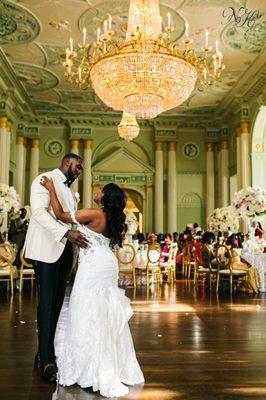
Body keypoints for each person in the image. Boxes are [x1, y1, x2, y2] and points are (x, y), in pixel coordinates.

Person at [41, 177, 144, 397]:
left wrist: (50, 188)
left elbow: (60, 215)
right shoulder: (112, 218)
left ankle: (90, 369)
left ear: (105, 197)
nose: (97, 191)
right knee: (101, 315)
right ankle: (103, 364)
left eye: (100, 190)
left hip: (93, 268)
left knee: (85, 312)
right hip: (106, 264)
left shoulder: (94, 213)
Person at [24, 154, 89, 383]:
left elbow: (68, 217)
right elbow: (39, 213)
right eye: (78, 166)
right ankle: (47, 360)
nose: (80, 170)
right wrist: (67, 233)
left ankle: (44, 352)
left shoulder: (69, 190)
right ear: (66, 163)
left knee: (57, 304)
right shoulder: (44, 179)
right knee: (47, 304)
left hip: (65, 252)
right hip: (46, 250)